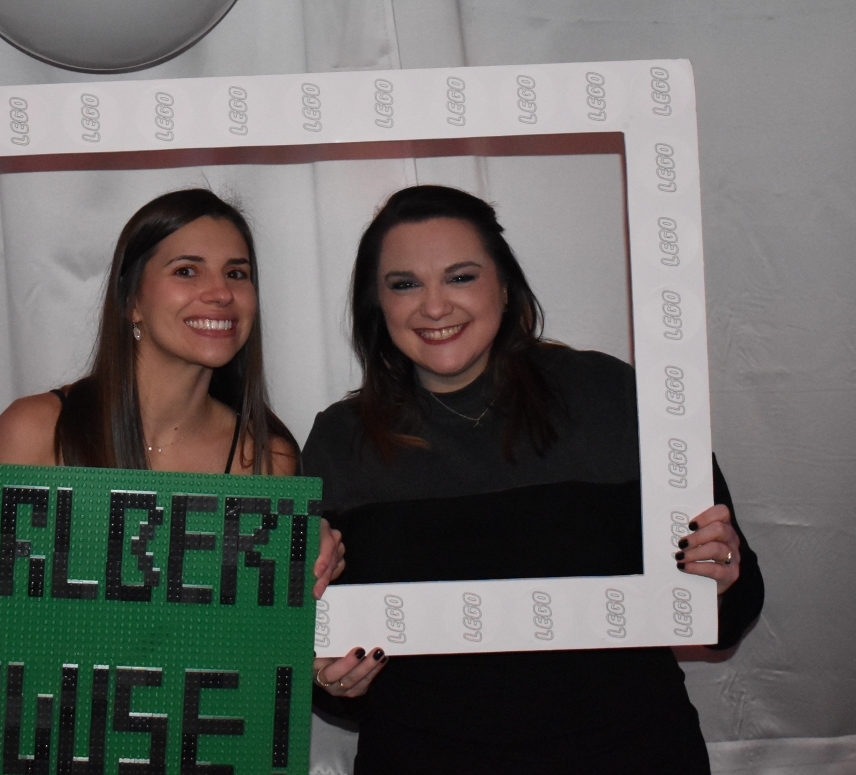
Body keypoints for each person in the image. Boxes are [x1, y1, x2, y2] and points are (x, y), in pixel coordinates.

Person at [304, 185, 764, 774]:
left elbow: (733, 607)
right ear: (377, 304)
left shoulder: (614, 397)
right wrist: (332, 678)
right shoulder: (340, 440)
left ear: (505, 286)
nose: (435, 306)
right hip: (423, 756)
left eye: (461, 276)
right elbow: (313, 650)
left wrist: (720, 579)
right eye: (405, 284)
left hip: (627, 752)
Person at [0, 187, 344, 597]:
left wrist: (318, 662)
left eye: (236, 273)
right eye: (186, 270)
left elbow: (258, 649)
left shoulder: (269, 457)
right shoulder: (34, 430)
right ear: (132, 302)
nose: (221, 293)